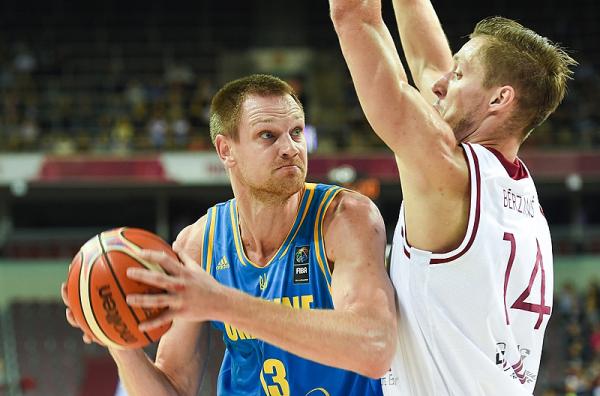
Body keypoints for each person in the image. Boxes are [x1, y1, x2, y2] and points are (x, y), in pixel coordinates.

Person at [62, 74, 397, 395]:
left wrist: (221, 302)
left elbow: (375, 348)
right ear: (226, 150)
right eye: (268, 135)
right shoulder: (199, 245)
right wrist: (118, 339)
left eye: (296, 132)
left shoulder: (344, 218)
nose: (291, 148)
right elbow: (173, 387)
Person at [329, 1, 576, 394]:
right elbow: (430, 68)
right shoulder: (516, 188)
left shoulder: (447, 171)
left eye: (459, 74)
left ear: (499, 99)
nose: (441, 84)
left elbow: (352, 15)